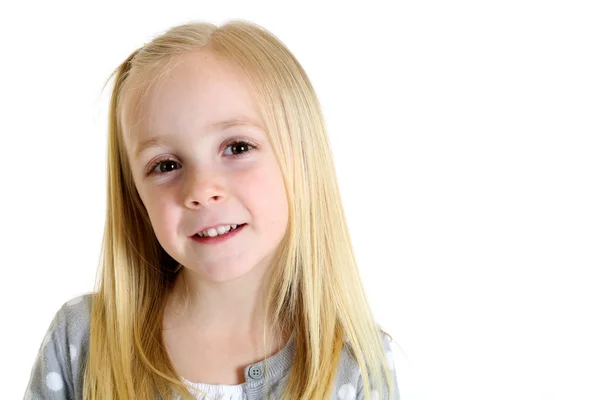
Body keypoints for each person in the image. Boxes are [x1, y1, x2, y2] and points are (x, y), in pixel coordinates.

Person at [24, 19, 400, 400]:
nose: (202, 191)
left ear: (303, 157)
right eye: (166, 165)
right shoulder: (82, 339)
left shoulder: (356, 364)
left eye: (237, 147)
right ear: (136, 196)